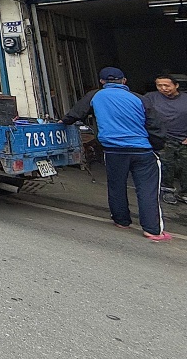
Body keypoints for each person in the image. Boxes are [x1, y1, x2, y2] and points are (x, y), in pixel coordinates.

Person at [62, 67, 171, 242]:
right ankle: (153, 230)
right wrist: (155, 147)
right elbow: (155, 127)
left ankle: (121, 221)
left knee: (116, 186)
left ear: (102, 82)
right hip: (142, 150)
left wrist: (63, 122)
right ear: (124, 81)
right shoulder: (139, 98)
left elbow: (74, 114)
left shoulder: (95, 96)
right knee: (147, 190)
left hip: (113, 151)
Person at [144, 74, 187, 203]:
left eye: (166, 85)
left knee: (184, 166)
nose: (163, 88)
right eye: (159, 85)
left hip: (183, 138)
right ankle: (167, 191)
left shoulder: (185, 99)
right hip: (162, 138)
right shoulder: (150, 98)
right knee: (166, 166)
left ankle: (184, 192)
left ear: (176, 85)